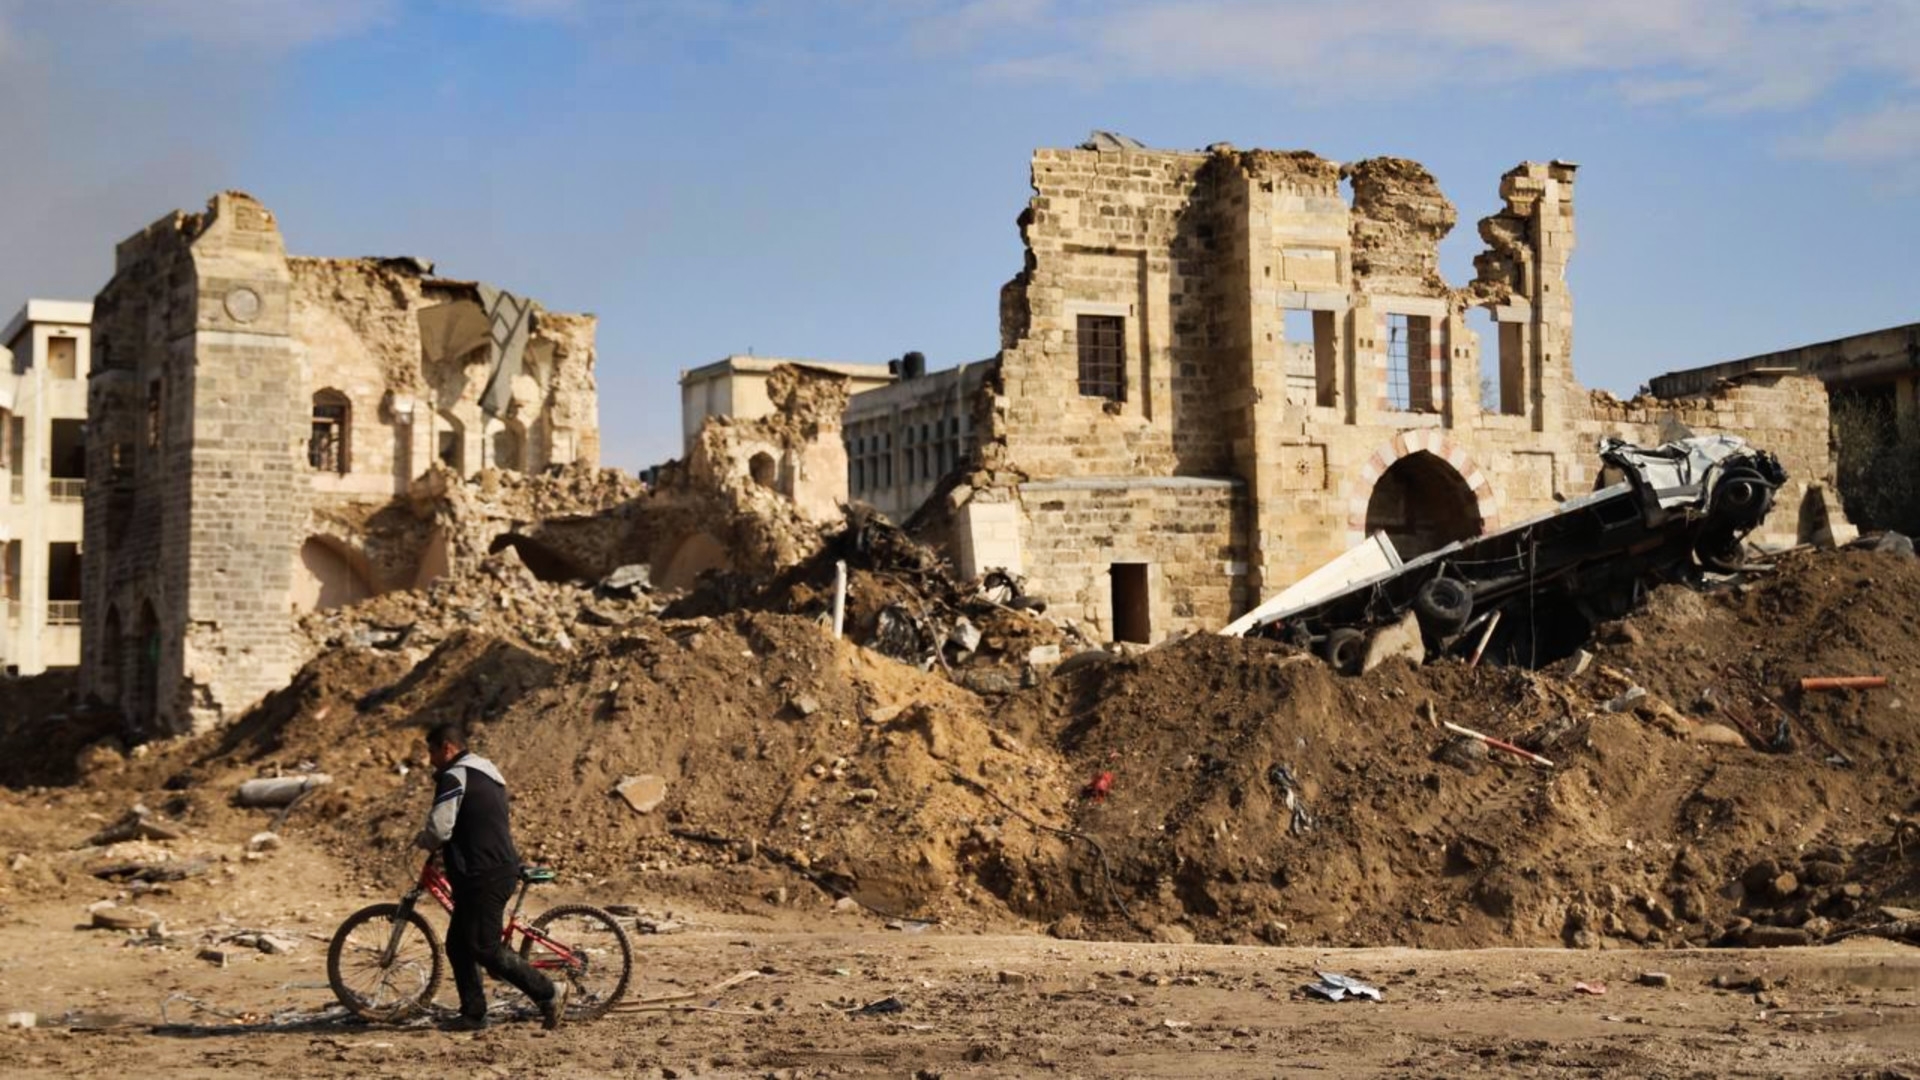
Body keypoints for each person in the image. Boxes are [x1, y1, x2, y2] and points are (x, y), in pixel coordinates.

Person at [416, 721, 568, 1031]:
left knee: (485, 947)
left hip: (482, 872)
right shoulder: (485, 769)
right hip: (490, 869)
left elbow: (440, 827)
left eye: (431, 751)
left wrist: (423, 839)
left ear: (447, 748)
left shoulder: (454, 775)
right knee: (459, 945)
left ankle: (549, 992)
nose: (429, 759)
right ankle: (473, 1013)